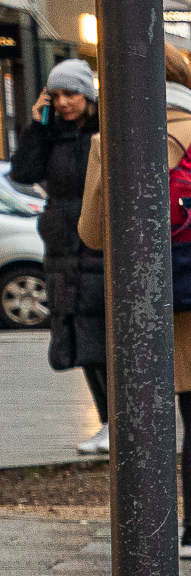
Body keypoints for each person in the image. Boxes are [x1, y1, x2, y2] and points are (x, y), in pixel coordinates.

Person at [80, 45, 191, 561]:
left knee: (140, 415)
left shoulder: (107, 141)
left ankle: (144, 528)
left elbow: (91, 233)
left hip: (140, 296)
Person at [12, 59, 107, 454]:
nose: (65, 102)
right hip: (62, 250)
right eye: (57, 95)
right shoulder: (49, 135)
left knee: (104, 334)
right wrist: (38, 124)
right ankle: (107, 422)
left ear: (88, 95)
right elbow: (22, 172)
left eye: (72, 94)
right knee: (80, 337)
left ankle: (122, 419)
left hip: (98, 245)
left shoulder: (104, 132)